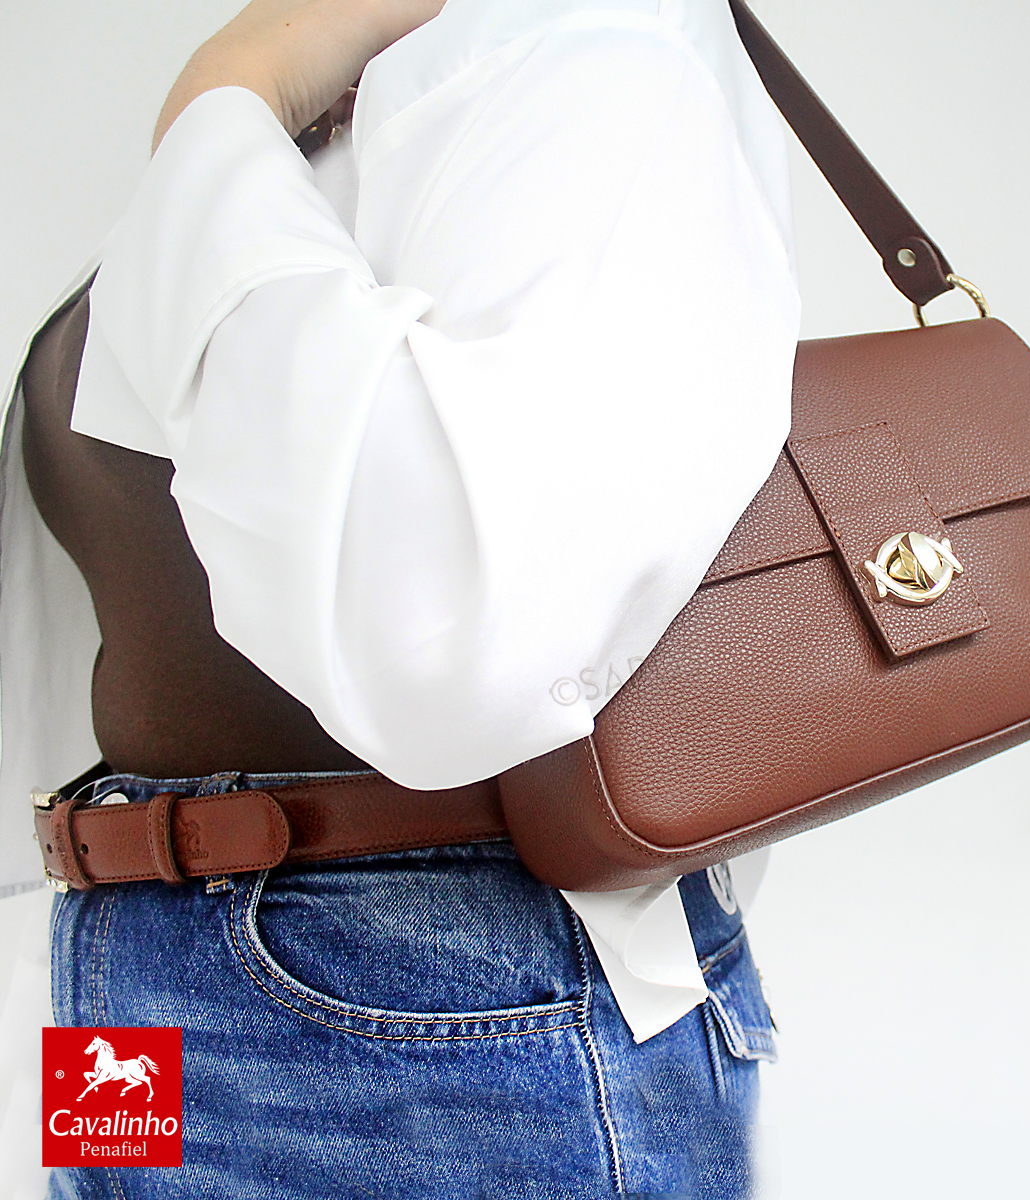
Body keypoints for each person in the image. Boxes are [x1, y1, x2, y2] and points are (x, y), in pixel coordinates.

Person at [10, 0, 801, 1193]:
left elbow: (452, 641)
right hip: (125, 965)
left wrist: (226, 99)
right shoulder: (356, 88)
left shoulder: (597, 57)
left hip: (422, 989)